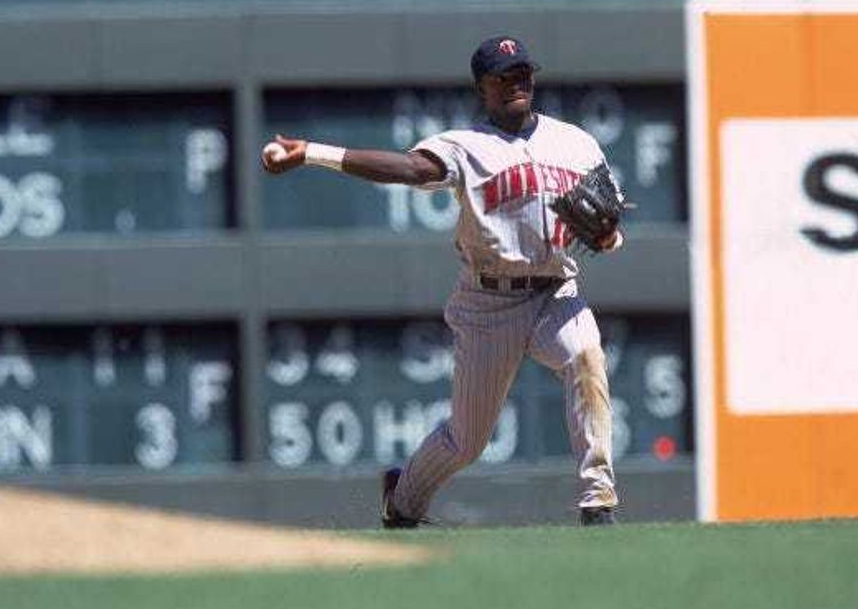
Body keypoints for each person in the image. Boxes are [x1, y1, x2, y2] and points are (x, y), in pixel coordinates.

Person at [261, 36, 623, 528]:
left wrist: (608, 236)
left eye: (523, 73)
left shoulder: (577, 143)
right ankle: (403, 501)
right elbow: (407, 169)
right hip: (489, 302)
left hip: (557, 291)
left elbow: (609, 225)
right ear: (482, 89)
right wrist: (312, 153)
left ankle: (597, 500)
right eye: (504, 76)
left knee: (586, 356)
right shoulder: (465, 146)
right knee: (467, 439)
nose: (516, 83)